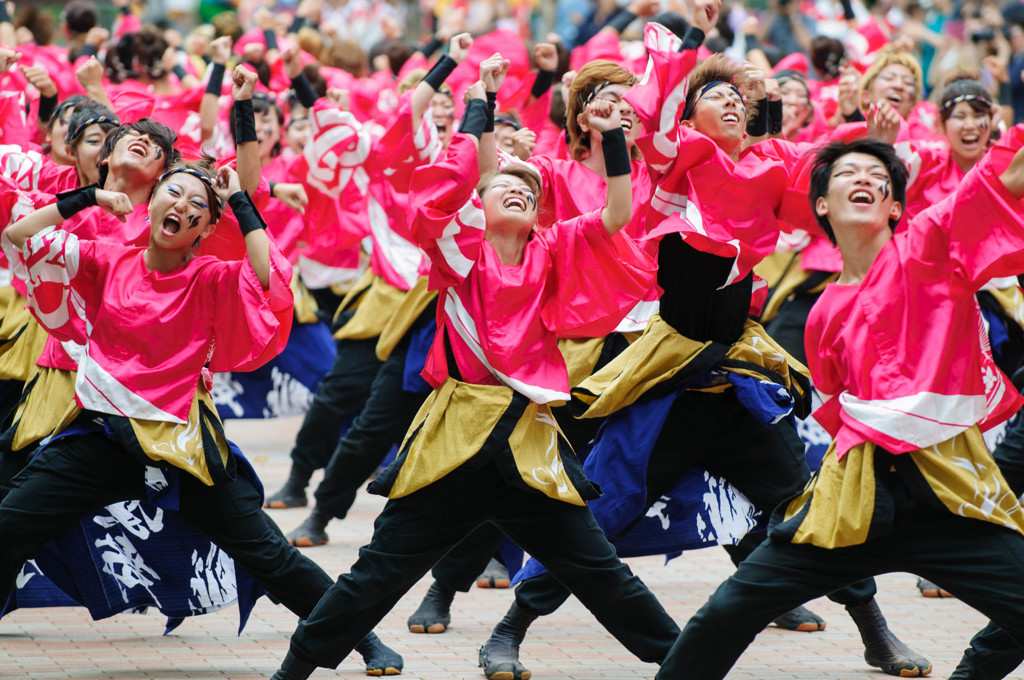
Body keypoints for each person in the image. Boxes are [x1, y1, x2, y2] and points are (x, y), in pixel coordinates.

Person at [268, 74, 681, 680]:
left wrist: (616, 136)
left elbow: (619, 211)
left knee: (599, 570)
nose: (517, 191)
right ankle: (293, 669)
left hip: (529, 444)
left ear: (540, 210)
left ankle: (686, 661)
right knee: (378, 570)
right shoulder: (458, 251)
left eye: (528, 189)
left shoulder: (557, 247)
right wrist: (477, 109)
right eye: (503, 187)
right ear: (479, 204)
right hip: (453, 443)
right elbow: (442, 197)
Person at [655, 134, 1024, 680]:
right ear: (821, 203)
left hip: (947, 495)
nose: (864, 180)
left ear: (896, 206)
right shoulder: (822, 314)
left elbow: (1008, 177)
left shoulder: (929, 241)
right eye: (847, 172)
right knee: (723, 615)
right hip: (853, 503)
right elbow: (836, 410)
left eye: (879, 176)